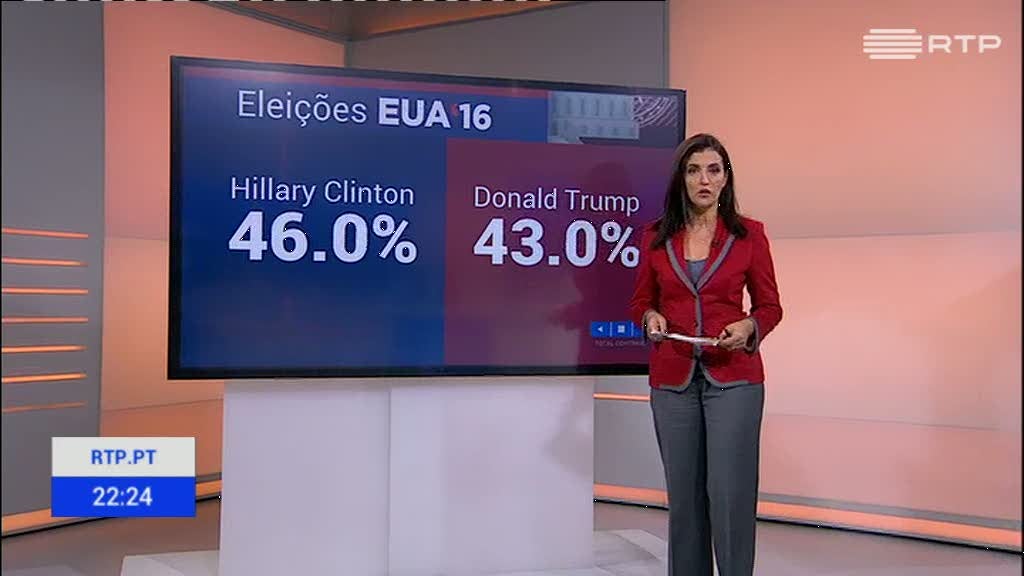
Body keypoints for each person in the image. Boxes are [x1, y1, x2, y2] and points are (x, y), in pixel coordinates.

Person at [629, 133, 783, 576]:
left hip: (734, 379)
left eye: (713, 170)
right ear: (681, 177)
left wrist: (749, 327)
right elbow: (641, 301)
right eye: (694, 170)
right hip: (673, 379)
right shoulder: (656, 236)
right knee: (685, 499)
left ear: (725, 178)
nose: (704, 180)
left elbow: (770, 307)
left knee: (731, 495)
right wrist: (650, 317)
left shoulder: (749, 235)